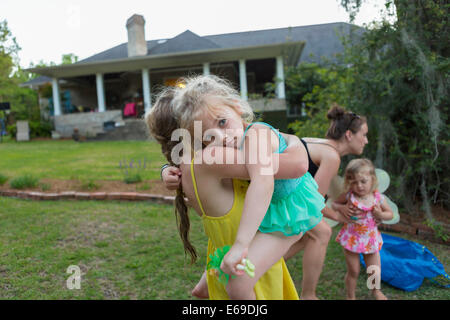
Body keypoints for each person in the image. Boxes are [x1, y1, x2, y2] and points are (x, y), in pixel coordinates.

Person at [163, 103, 370, 299]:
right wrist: (167, 169)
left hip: (289, 197)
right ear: (349, 135)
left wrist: (337, 213)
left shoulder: (252, 135)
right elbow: (318, 199)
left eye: (222, 123)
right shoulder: (331, 156)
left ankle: (303, 290)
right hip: (282, 198)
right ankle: (306, 293)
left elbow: (313, 197)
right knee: (320, 232)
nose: (366, 140)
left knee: (316, 233)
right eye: (364, 135)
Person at [146, 80, 308, 300]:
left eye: (222, 122)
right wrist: (295, 142)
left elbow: (289, 168)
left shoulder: (197, 160)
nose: (221, 138)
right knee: (240, 284)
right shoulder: (215, 155)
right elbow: (297, 163)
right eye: (207, 137)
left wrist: (166, 168)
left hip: (275, 221)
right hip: (252, 239)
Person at [332, 158, 393, 300]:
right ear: (349, 182)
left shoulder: (378, 198)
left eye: (363, 181)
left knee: (374, 270)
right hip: (352, 238)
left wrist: (381, 214)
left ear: (372, 179)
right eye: (354, 182)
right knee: (354, 271)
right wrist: (342, 207)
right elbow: (334, 204)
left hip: (370, 239)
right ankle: (350, 296)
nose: (359, 186)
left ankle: (376, 291)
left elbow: (390, 214)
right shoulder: (349, 196)